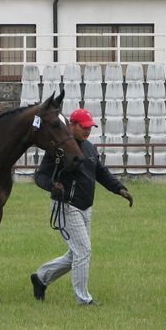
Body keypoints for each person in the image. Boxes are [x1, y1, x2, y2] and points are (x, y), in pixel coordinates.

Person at [30, 108, 133, 305]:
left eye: (90, 127)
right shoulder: (58, 149)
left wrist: (119, 189)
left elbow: (101, 172)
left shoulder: (90, 148)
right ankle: (83, 299)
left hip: (86, 207)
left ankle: (41, 277)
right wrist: (53, 186)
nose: (87, 131)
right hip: (66, 206)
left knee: (75, 254)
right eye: (84, 127)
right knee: (83, 251)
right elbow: (40, 176)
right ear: (72, 125)